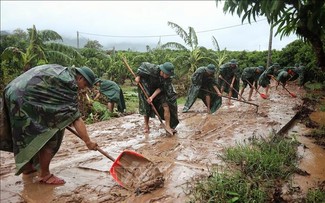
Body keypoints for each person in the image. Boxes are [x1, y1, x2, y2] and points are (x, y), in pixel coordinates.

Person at [1, 64, 98, 185]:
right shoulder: (69, 84)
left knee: (25, 132)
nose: (85, 88)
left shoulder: (63, 72)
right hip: (25, 96)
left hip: (13, 90)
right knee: (52, 135)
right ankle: (44, 175)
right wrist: (88, 142)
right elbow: (76, 119)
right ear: (80, 78)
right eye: (86, 85)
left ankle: (27, 168)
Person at [135, 62, 179, 135]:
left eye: (169, 75)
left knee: (166, 106)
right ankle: (146, 125)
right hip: (147, 86)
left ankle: (168, 126)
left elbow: (161, 88)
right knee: (146, 106)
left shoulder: (168, 79)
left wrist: (152, 97)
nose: (168, 76)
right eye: (167, 74)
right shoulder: (153, 68)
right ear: (162, 71)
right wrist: (138, 76)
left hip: (158, 91)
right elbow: (142, 66)